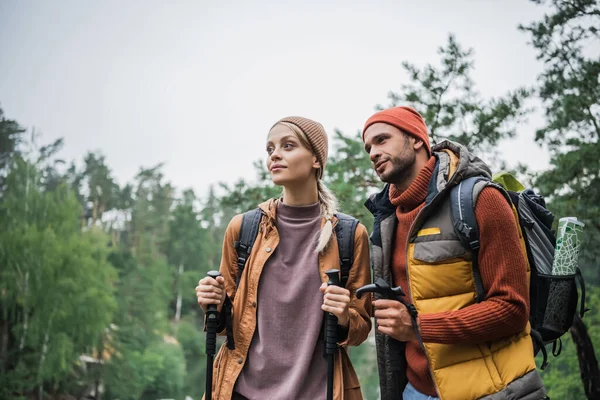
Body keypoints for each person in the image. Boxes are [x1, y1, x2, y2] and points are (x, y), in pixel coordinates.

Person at [361, 106, 547, 400]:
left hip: (491, 390)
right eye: (368, 147)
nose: (372, 152)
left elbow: (512, 309)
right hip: (415, 391)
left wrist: (418, 327)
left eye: (382, 140)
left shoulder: (481, 200)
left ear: (417, 140)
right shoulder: (386, 220)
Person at [196, 116, 372, 400]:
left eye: (288, 146)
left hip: (320, 392)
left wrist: (343, 316)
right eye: (270, 149)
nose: (274, 155)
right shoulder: (244, 229)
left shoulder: (350, 235)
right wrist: (212, 303)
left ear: (316, 159)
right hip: (242, 391)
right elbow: (226, 326)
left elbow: (361, 327)